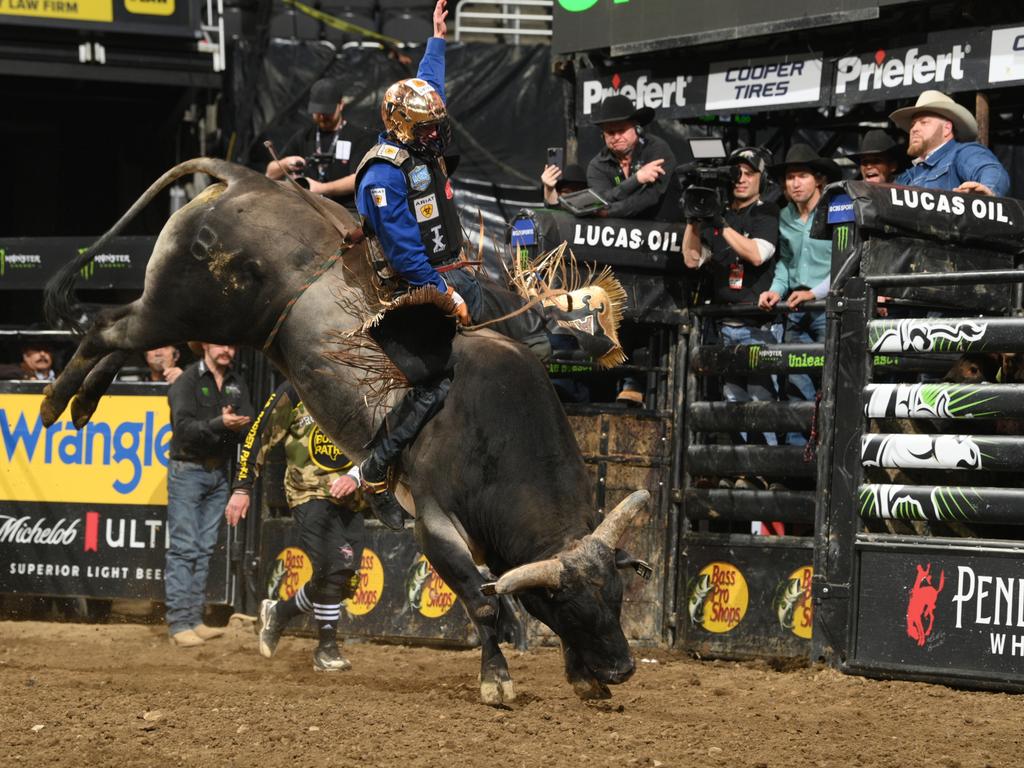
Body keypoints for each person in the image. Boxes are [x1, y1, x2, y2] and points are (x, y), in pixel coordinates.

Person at [225, 382, 364, 672]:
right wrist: (242, 487)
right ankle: (326, 649)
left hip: (352, 496)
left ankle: (279, 612)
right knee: (333, 565)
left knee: (346, 577)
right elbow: (259, 434)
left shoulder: (356, 387)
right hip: (308, 492)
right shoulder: (295, 390)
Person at [682, 146, 780, 450]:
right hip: (724, 326)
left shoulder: (766, 211)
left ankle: (771, 472)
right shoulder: (716, 216)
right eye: (735, 173)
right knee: (733, 402)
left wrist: (720, 223)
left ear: (762, 179)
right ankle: (743, 473)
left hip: (758, 326)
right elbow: (691, 259)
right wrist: (694, 218)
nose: (740, 180)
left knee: (762, 402)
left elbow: (756, 254)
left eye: (748, 174)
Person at [165, 343, 254, 647]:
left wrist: (235, 425)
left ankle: (192, 619)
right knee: (184, 547)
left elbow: (249, 422)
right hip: (188, 469)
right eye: (219, 343)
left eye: (231, 344)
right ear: (204, 345)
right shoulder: (187, 381)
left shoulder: (236, 382)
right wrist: (221, 423)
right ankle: (179, 622)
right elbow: (183, 428)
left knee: (202, 549)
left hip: (217, 473)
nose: (227, 349)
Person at [757, 145, 842, 444]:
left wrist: (813, 293)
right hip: (796, 307)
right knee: (795, 383)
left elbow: (845, 262)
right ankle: (797, 458)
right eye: (790, 177)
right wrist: (774, 291)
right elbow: (786, 264)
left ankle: (828, 451)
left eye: (802, 176)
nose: (795, 183)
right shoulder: (784, 216)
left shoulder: (837, 211)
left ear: (817, 179)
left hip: (826, 306)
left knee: (830, 381)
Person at [266, 78, 371, 202]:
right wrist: (285, 163)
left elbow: (359, 178)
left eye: (327, 112)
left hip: (345, 210)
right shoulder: (304, 136)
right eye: (317, 112)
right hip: (308, 209)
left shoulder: (357, 136)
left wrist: (322, 188)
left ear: (341, 105)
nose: (322, 117)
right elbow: (270, 174)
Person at [890, 90, 1010, 197]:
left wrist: (987, 191)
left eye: (924, 122)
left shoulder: (963, 153)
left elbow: (991, 170)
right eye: (912, 125)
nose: (914, 129)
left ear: (947, 128)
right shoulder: (909, 174)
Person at [586, 95, 677, 219]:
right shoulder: (597, 165)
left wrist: (609, 212)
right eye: (610, 132)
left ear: (638, 129)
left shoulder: (657, 149)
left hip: (664, 229)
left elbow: (649, 198)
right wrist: (637, 179)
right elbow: (601, 200)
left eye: (622, 130)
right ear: (603, 135)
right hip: (618, 234)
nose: (616, 137)